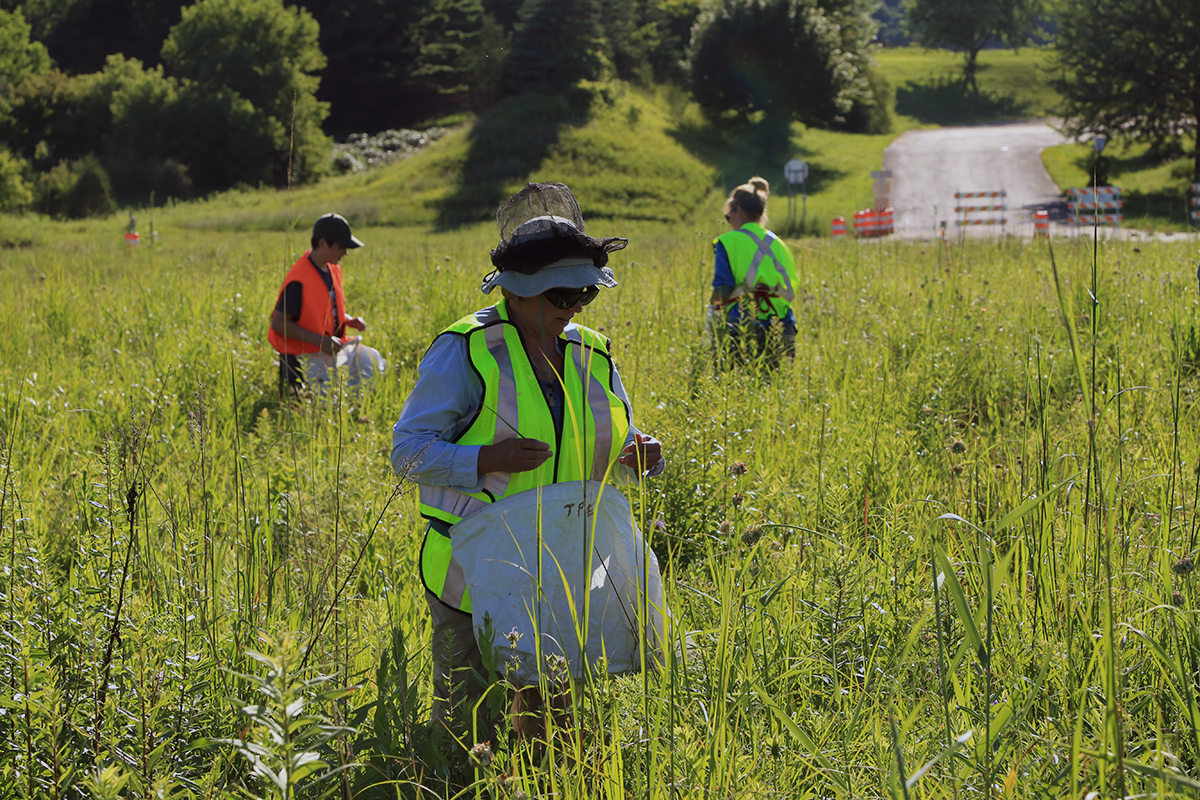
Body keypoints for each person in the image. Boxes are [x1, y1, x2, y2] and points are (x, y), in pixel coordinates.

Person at [390, 182, 664, 738]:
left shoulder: (593, 351)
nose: (575, 308)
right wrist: (486, 458)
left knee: (552, 716)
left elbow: (613, 431)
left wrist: (639, 451)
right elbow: (408, 454)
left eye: (584, 296)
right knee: (468, 721)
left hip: (565, 569)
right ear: (515, 293)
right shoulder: (465, 349)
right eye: (561, 298)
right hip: (471, 572)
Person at [268, 213, 384, 394]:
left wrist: (347, 320)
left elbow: (320, 310)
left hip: (327, 351)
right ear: (322, 243)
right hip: (302, 359)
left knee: (371, 360)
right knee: (329, 401)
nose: (345, 253)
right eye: (341, 247)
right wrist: (322, 341)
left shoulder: (332, 268)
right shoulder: (299, 280)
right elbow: (278, 323)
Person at [709, 177, 798, 367]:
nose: (729, 220)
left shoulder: (728, 241)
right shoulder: (779, 244)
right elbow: (792, 288)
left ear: (738, 211)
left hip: (743, 325)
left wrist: (712, 311)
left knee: (738, 384)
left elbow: (723, 288)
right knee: (776, 386)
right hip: (783, 325)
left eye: (728, 215)